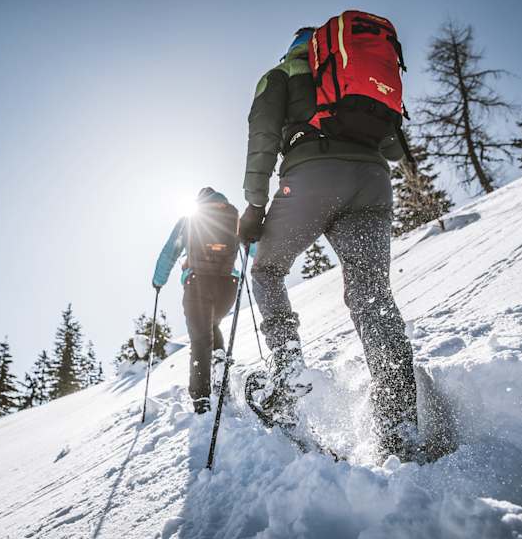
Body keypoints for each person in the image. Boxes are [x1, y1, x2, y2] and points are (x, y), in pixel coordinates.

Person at [238, 27, 418, 461]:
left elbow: (262, 136)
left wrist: (253, 205)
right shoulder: (355, 77)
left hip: (311, 178)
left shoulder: (279, 74)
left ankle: (286, 368)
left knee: (266, 270)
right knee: (372, 297)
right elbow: (393, 149)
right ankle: (400, 423)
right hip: (373, 182)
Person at [153, 187, 246, 414]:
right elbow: (253, 247)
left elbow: (170, 252)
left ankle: (202, 399)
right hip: (228, 286)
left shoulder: (190, 220)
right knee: (212, 326)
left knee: (200, 338)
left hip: (198, 284)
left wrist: (158, 281)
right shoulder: (234, 219)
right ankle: (220, 365)